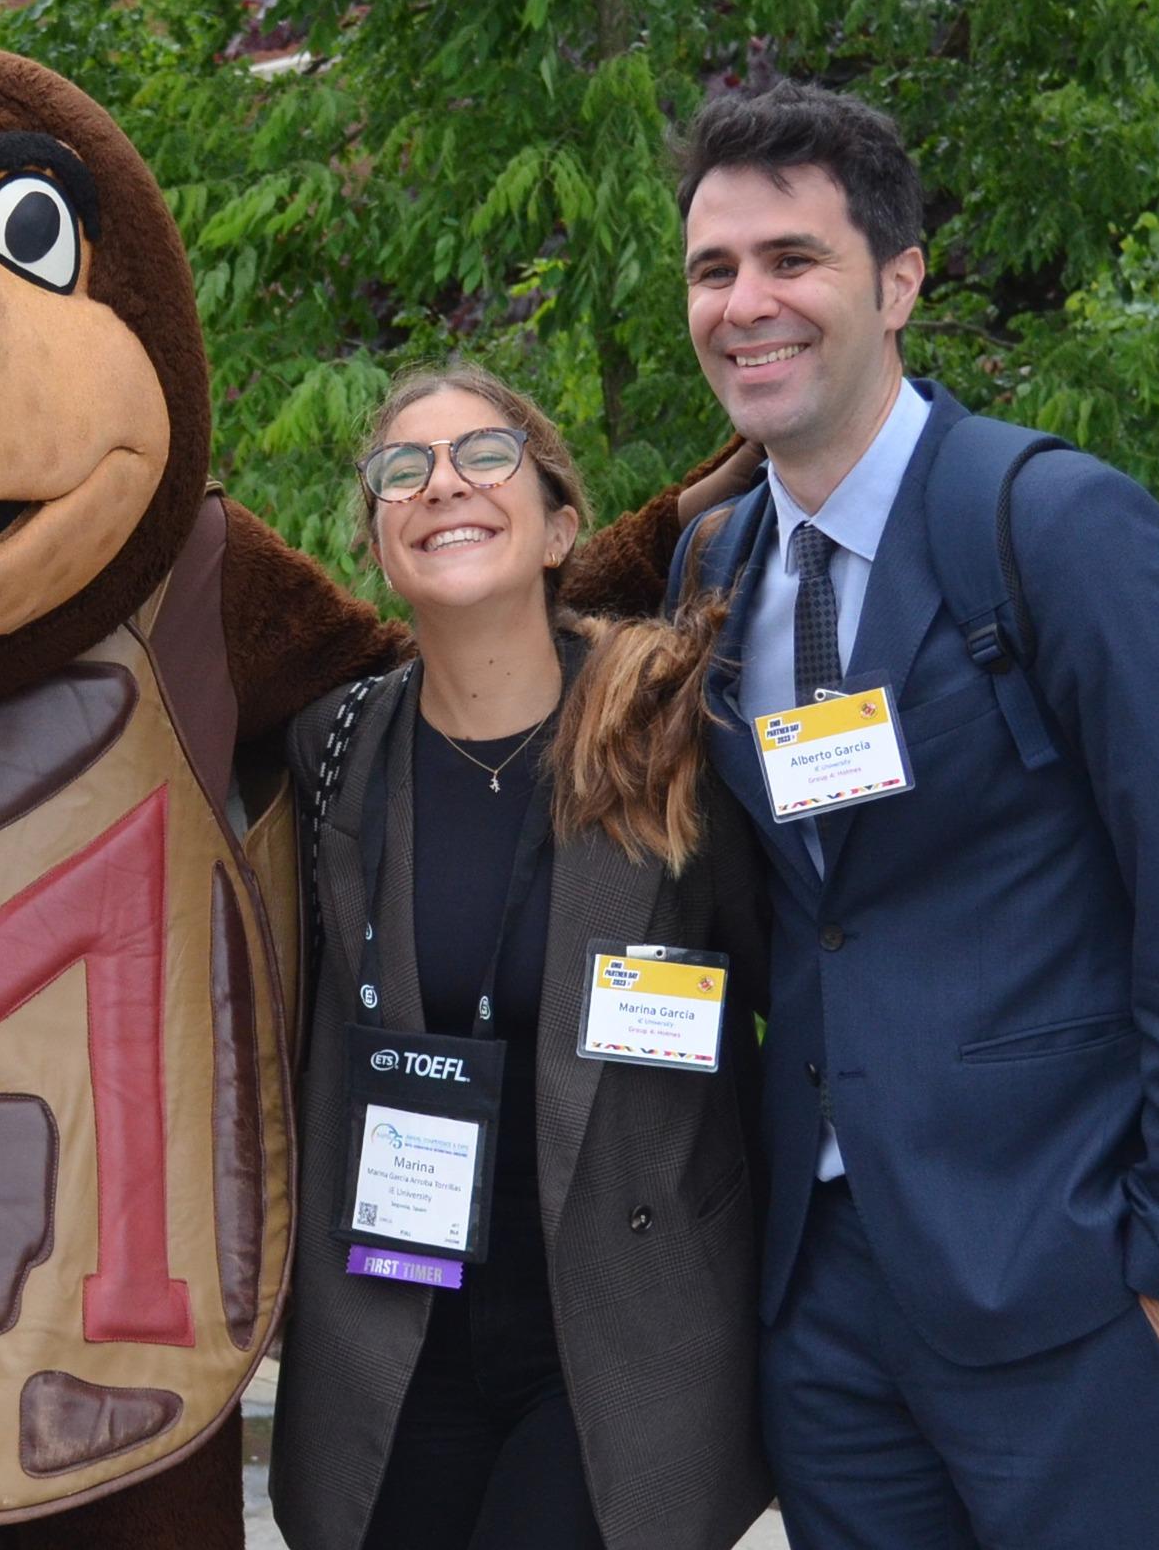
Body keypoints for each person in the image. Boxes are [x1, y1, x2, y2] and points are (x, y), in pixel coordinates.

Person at [662, 80, 1159, 1549]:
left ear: (898, 281)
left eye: (791, 260)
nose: (747, 302)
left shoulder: (1056, 525)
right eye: (714, 268)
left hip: (1069, 1284)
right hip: (821, 1302)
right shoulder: (713, 563)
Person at [270, 364, 772, 1550]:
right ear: (381, 550)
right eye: (404, 469)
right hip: (398, 1332)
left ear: (558, 525)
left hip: (615, 1332)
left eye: (483, 455)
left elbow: (801, 993)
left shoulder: (672, 737)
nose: (441, 481)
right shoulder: (334, 752)